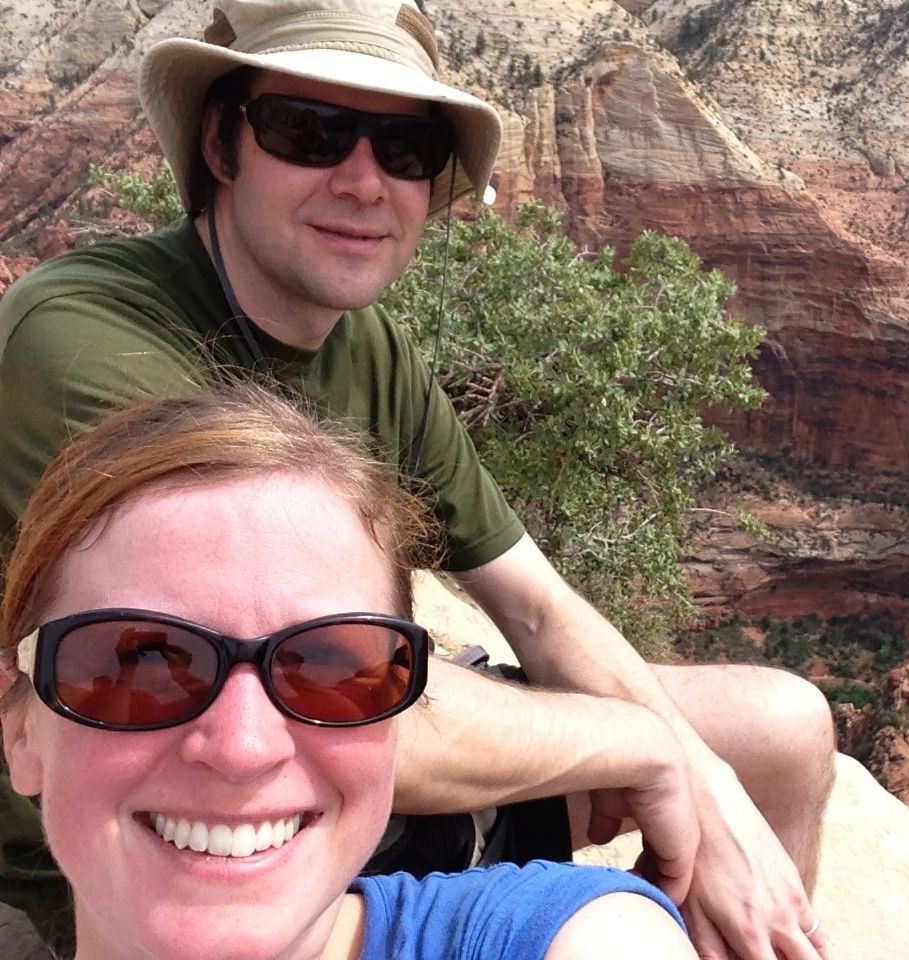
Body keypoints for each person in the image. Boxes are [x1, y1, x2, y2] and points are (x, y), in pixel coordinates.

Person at [0, 1, 836, 957]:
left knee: (781, 731)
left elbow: (536, 606)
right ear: (222, 146)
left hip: (349, 785)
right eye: (308, 131)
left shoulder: (370, 347)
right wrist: (644, 752)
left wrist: (708, 787)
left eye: (406, 149)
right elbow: (266, 700)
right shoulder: (84, 340)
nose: (364, 181)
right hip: (159, 834)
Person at [0, 384, 699, 960]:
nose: (244, 748)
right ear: (19, 728)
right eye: (141, 664)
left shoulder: (556, 939)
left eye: (329, 667)